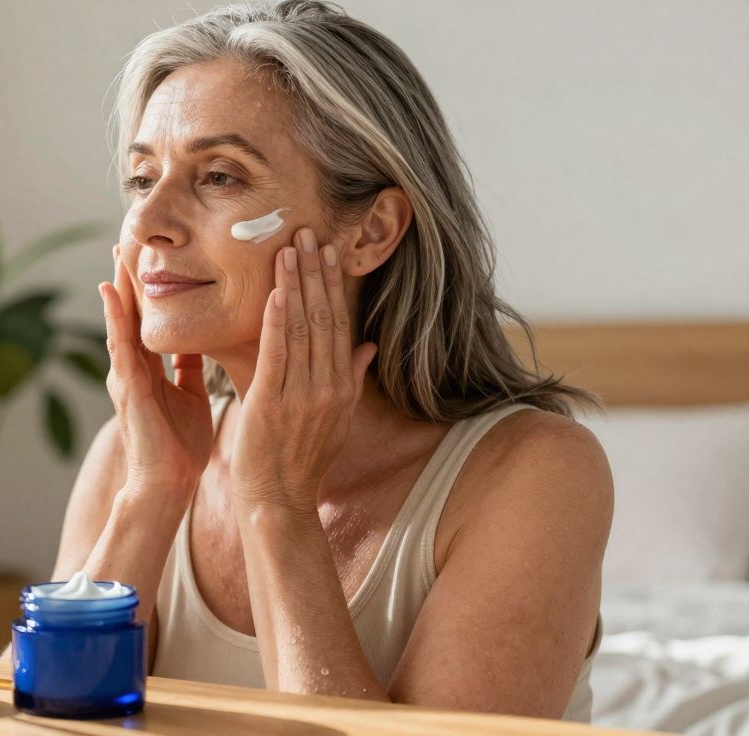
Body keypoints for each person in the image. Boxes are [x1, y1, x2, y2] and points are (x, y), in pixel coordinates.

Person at [46, 0, 613, 722]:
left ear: (371, 232)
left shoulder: (536, 473)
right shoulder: (136, 456)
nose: (149, 224)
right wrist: (153, 493)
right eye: (141, 178)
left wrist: (276, 504)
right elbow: (35, 720)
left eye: (220, 176)